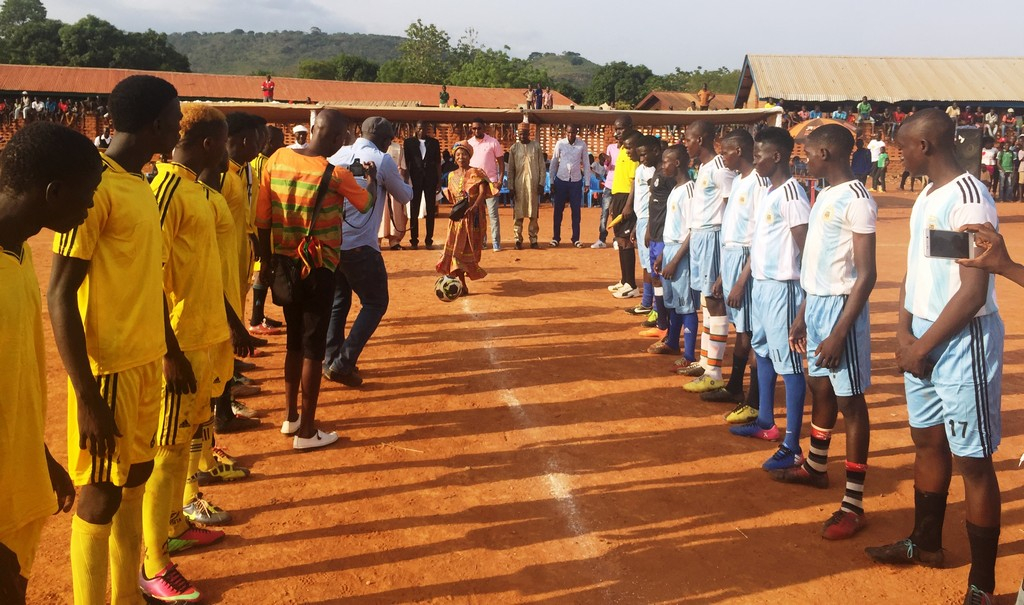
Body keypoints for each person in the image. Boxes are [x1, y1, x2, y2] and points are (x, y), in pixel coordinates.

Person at [47, 76, 203, 604]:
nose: (181, 124)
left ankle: (127, 595)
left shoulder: (140, 183)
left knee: (135, 482)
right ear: (156, 121)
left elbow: (148, 281)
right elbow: (60, 293)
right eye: (176, 114)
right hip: (108, 369)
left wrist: (170, 352)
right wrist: (88, 397)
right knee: (99, 496)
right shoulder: (96, 186)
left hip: (146, 363)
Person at [863, 109, 1003, 605]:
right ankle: (926, 543)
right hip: (921, 333)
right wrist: (903, 331)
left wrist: (922, 346)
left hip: (960, 337)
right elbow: (917, 270)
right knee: (926, 442)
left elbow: (972, 291)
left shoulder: (969, 199)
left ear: (926, 147)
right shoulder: (926, 194)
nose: (899, 153)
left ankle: (982, 587)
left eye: (903, 146)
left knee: (974, 461)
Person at [1, 123, 92, 604]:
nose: (91, 207)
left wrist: (38, 457)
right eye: (87, 194)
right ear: (55, 193)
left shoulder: (15, 254)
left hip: (16, 486)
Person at [771, 124, 877, 541]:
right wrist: (803, 310)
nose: (804, 158)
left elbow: (866, 275)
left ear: (828, 153)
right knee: (819, 384)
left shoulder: (857, 200)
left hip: (841, 310)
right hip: (816, 304)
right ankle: (816, 466)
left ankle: (853, 503)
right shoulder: (825, 195)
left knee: (851, 402)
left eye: (809, 152)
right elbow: (816, 261)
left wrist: (837, 333)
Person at [256, 110, 375, 449]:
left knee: (293, 342)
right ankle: (307, 431)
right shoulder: (335, 174)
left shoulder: (276, 159)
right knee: (313, 349)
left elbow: (262, 219)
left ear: (310, 130)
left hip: (283, 266)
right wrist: (368, 180)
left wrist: (267, 261)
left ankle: (290, 416)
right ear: (338, 140)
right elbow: (365, 206)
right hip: (319, 268)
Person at [728, 126, 810, 473]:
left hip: (783, 287)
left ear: (776, 157)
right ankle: (765, 421)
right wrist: (745, 280)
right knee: (761, 351)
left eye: (760, 154)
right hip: (761, 285)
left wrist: (804, 306)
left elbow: (807, 250)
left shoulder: (792, 195)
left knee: (788, 362)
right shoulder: (771, 193)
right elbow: (761, 245)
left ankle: (791, 444)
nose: (755, 158)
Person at [324, 117, 410, 388]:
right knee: (375, 303)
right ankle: (344, 362)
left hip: (333, 243)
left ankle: (330, 357)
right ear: (387, 141)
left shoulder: (338, 154)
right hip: (361, 245)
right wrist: (399, 178)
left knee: (339, 301)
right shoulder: (382, 160)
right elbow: (405, 196)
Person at [711, 129, 769, 422]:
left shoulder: (759, 183)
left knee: (751, 332)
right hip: (732, 258)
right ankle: (735, 387)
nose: (723, 157)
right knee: (741, 329)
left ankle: (753, 399)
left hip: (747, 261)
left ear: (740, 151)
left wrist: (741, 279)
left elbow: (758, 236)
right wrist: (724, 276)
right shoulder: (738, 182)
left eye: (726, 152)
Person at [680, 121, 738, 392]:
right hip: (701, 236)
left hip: (714, 236)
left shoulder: (719, 170)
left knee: (715, 301)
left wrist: (724, 247)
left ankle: (714, 370)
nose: (685, 143)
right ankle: (705, 362)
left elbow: (730, 210)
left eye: (688, 139)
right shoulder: (704, 167)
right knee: (706, 300)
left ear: (700, 139)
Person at [654, 145, 700, 363]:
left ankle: (689, 354)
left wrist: (675, 260)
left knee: (686, 304)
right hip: (670, 249)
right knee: (673, 303)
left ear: (678, 163)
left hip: (682, 253)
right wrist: (664, 255)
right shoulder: (675, 189)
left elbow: (692, 231)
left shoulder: (690, 191)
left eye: (666, 161)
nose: (663, 166)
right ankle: (672, 342)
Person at [436, 142, 494, 291]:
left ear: (469, 156)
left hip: (474, 218)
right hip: (457, 220)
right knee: (456, 251)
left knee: (469, 251)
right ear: (454, 158)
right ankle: (462, 284)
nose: (461, 157)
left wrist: (474, 206)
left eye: (464, 154)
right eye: (458, 155)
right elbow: (451, 196)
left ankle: (462, 280)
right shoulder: (450, 176)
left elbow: (483, 192)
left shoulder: (477, 172)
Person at [248, 125, 286, 335]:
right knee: (261, 271)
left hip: (264, 226)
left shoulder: (261, 163)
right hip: (262, 227)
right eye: (279, 142)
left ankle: (260, 315)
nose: (282, 146)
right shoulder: (262, 165)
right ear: (270, 143)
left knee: (265, 271)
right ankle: (255, 319)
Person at [608, 124, 642, 298]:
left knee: (626, 241)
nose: (617, 131)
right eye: (616, 128)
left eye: (621, 128)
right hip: (618, 196)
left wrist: (629, 205)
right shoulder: (621, 149)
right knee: (620, 240)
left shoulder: (632, 155)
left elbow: (634, 181)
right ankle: (624, 280)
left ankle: (631, 285)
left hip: (627, 198)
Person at [548, 124, 591, 248]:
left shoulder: (581, 145)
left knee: (576, 211)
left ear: (576, 133)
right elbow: (554, 162)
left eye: (572, 133)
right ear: (565, 132)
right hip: (561, 180)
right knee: (558, 211)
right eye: (568, 133)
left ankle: (576, 238)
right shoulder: (560, 144)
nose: (570, 135)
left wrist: (587, 182)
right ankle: (556, 238)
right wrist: (551, 181)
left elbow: (586, 164)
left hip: (576, 182)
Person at [467, 119, 504, 251]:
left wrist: (499, 180)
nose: (476, 131)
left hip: (491, 183)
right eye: (474, 129)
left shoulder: (493, 142)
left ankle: (496, 242)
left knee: (493, 214)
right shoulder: (469, 144)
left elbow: (501, 162)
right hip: (474, 183)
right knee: (477, 214)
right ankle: (481, 241)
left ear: (484, 128)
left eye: (479, 128)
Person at [403, 121, 442, 250]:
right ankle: (414, 239)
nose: (421, 131)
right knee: (414, 209)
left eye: (424, 129)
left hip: (430, 179)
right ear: (415, 129)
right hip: (415, 180)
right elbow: (407, 163)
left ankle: (429, 239)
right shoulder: (409, 143)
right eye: (419, 129)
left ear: (427, 130)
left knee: (431, 210)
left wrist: (439, 180)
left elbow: (437, 163)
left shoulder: (434, 143)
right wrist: (407, 179)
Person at [506, 123, 545, 249]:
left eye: (524, 133)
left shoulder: (536, 147)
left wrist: (541, 183)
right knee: (518, 214)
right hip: (519, 186)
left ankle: (533, 239)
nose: (522, 136)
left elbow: (542, 167)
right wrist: (510, 186)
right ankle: (518, 240)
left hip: (533, 187)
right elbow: (510, 169)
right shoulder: (514, 148)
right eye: (520, 134)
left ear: (529, 134)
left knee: (533, 214)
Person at [592, 127, 620, 249]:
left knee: (617, 213)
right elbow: (607, 168)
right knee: (605, 212)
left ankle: (616, 239)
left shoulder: (627, 150)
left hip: (621, 186)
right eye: (617, 137)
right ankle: (602, 239)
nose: (618, 139)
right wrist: (607, 161)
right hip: (609, 184)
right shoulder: (611, 148)